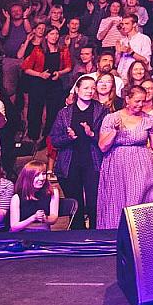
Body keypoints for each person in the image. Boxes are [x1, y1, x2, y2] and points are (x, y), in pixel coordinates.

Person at [96, 85, 153, 228]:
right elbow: (102, 146)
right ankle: (115, 235)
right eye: (137, 101)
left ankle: (140, 235)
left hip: (141, 165)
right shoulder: (111, 118)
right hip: (117, 165)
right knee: (116, 202)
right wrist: (114, 131)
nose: (140, 105)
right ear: (127, 99)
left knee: (139, 199)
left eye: (143, 102)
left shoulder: (149, 120)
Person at [49, 74, 104, 228]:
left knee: (94, 204)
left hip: (93, 163)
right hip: (69, 163)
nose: (90, 91)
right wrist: (68, 137)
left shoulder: (101, 111)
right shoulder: (65, 113)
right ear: (77, 90)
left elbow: (107, 139)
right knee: (76, 205)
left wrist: (91, 134)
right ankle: (77, 236)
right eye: (86, 88)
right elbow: (54, 140)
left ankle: (95, 236)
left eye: (93, 88)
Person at [10, 158, 62, 231]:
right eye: (37, 175)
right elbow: (14, 227)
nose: (41, 178)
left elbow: (53, 218)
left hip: (44, 232)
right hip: (23, 233)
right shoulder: (17, 197)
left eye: (43, 174)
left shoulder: (52, 192)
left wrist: (44, 218)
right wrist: (33, 218)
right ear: (28, 177)